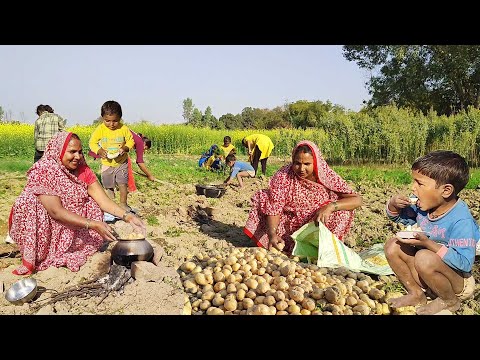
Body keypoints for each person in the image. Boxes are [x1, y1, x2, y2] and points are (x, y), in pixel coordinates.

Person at [8, 131, 146, 275]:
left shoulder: (82, 169)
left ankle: (74, 245)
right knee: (29, 201)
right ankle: (43, 252)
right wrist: (92, 224)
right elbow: (56, 211)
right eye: (72, 152)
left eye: (80, 152)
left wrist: (127, 216)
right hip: (49, 223)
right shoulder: (45, 170)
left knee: (91, 202)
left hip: (73, 222)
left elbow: (103, 200)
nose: (78, 157)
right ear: (58, 151)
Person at [384, 150, 479, 315]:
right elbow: (401, 218)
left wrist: (428, 244)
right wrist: (393, 205)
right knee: (393, 245)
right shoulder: (426, 207)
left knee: (424, 257)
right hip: (429, 272)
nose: (413, 188)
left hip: (459, 282)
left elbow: (464, 263)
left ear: (446, 191)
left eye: (419, 184)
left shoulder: (461, 221)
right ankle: (416, 294)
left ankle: (449, 301)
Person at [244, 140, 362, 255]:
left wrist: (331, 206)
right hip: (287, 225)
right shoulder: (283, 175)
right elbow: (275, 206)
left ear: (315, 162)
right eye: (297, 163)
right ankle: (284, 245)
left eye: (307, 164)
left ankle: (323, 251)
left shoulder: (325, 175)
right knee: (264, 198)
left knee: (342, 212)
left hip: (314, 223)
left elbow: (356, 199)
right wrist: (272, 234)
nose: (301, 169)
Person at [88, 100, 135, 211]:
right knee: (108, 185)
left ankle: (123, 204)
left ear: (120, 118)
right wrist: (99, 151)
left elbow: (130, 141)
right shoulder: (100, 129)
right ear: (102, 118)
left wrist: (125, 148)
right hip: (106, 163)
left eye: (115, 121)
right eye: (107, 121)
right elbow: (92, 142)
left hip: (121, 162)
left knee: (122, 183)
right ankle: (110, 203)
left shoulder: (123, 129)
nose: (111, 124)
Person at [88, 130, 155, 192]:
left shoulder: (136, 137)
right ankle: (128, 188)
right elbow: (140, 162)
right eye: (145, 148)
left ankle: (118, 185)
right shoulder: (140, 142)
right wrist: (149, 175)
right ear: (144, 144)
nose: (143, 150)